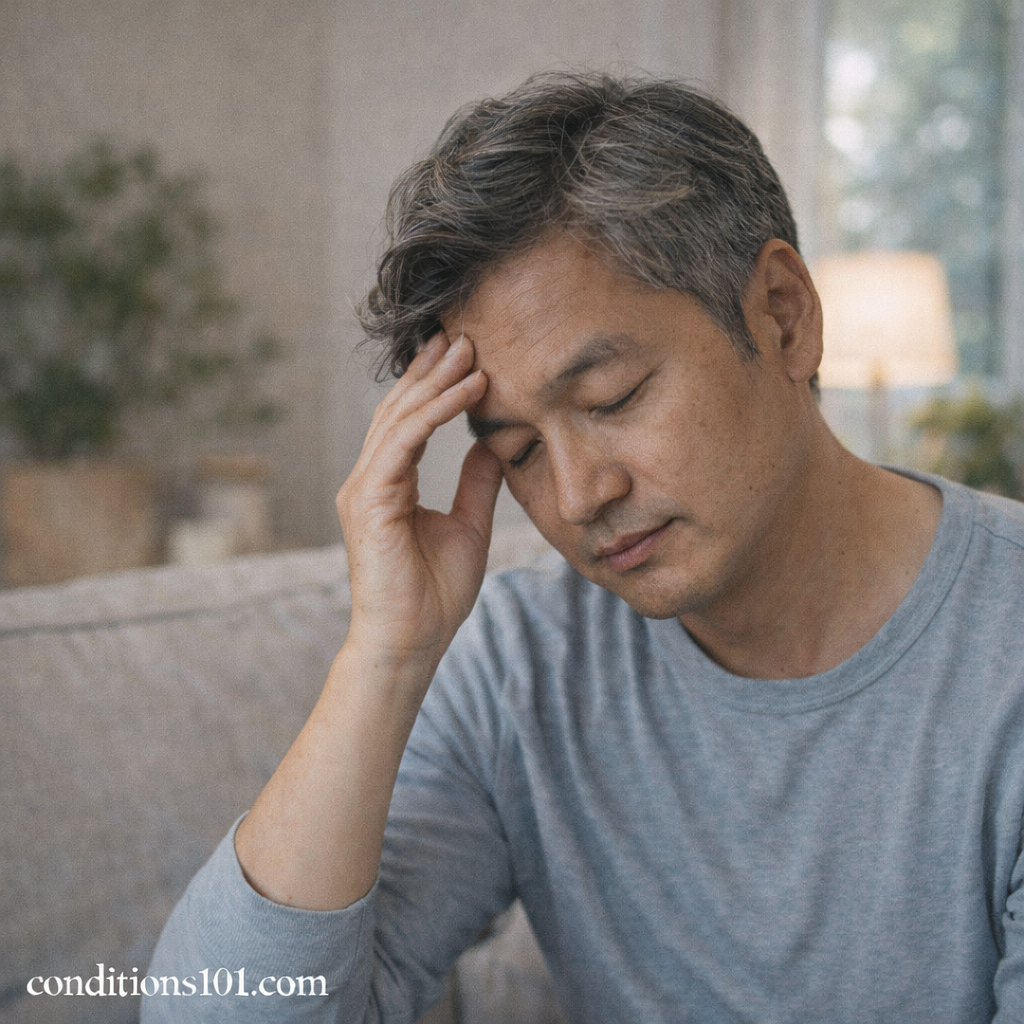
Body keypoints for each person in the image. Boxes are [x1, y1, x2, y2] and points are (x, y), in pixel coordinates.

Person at [144, 72, 1024, 1023]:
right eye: (517, 451)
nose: (577, 496)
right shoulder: (525, 665)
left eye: (612, 400)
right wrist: (384, 658)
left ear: (782, 313)